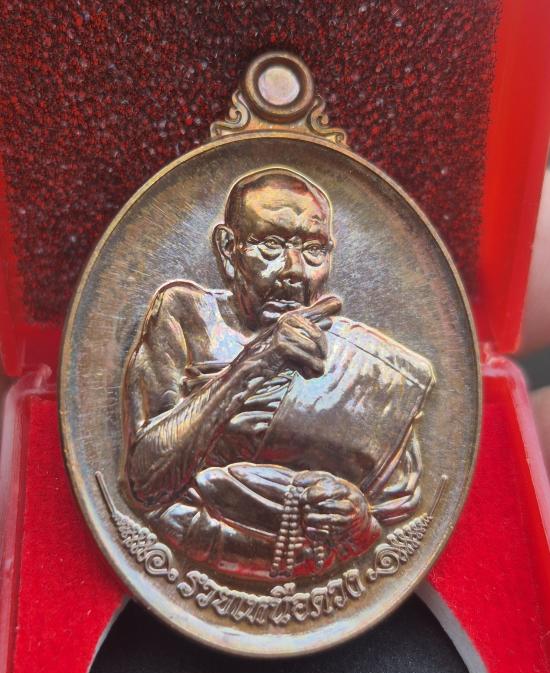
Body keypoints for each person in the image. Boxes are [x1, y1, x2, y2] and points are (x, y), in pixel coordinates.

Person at [121, 168, 435, 581]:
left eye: (314, 250)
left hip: (316, 573)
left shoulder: (374, 367)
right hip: (188, 558)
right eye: (271, 244)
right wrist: (256, 362)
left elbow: (394, 520)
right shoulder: (187, 316)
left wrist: (357, 518)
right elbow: (144, 482)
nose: (294, 270)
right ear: (227, 248)